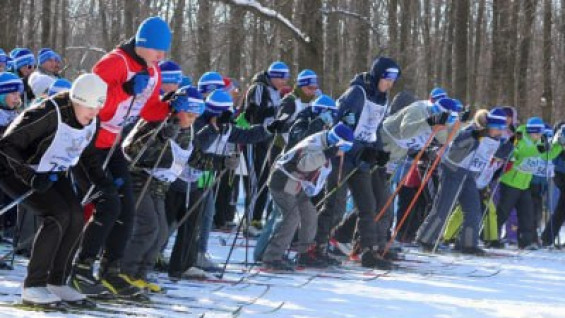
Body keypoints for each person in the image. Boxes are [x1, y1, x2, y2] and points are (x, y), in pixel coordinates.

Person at [71, 16, 172, 298]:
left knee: (127, 207)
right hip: (89, 141)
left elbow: (149, 109)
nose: (161, 56)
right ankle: (81, 268)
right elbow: (90, 103)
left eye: (164, 51)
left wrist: (170, 108)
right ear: (142, 44)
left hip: (112, 144)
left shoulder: (154, 73)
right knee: (108, 204)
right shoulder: (114, 63)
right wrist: (124, 89)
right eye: (157, 50)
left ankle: (110, 270)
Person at [0, 73, 106, 306]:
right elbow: (7, 146)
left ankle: (57, 281)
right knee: (57, 215)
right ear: (75, 100)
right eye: (88, 107)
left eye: (98, 107)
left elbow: (87, 154)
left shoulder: (92, 119)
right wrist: (31, 177)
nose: (93, 113)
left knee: (76, 216)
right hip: (15, 170)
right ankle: (34, 285)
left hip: (51, 170)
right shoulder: (48, 113)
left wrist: (101, 182)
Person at [120, 85, 205, 293]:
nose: (191, 120)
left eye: (195, 116)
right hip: (138, 180)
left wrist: (215, 162)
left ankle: (142, 274)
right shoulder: (156, 119)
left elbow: (190, 154)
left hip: (159, 185)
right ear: (178, 108)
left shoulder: (187, 129)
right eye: (190, 114)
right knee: (148, 228)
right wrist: (160, 137)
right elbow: (131, 150)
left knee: (162, 231)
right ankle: (126, 272)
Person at [262, 123, 354, 271]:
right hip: (283, 181)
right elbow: (303, 165)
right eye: (342, 149)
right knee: (292, 218)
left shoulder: (325, 142)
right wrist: (327, 154)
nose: (342, 153)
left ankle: (304, 254)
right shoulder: (316, 144)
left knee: (310, 215)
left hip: (297, 184)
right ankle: (272, 257)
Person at [416, 108, 508, 254]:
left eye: (502, 129)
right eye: (498, 129)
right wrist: (474, 136)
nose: (501, 132)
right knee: (444, 207)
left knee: (473, 210)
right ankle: (425, 239)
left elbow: (498, 155)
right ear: (490, 126)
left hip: (469, 175)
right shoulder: (473, 129)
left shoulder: (496, 138)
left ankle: (467, 244)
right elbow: (457, 142)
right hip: (453, 170)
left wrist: (511, 144)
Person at [494, 117, 563, 249]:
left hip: (525, 183)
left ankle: (525, 241)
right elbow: (522, 151)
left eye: (539, 133)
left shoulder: (541, 139)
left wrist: (559, 146)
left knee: (527, 213)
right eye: (535, 133)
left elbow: (547, 155)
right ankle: (490, 236)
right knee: (503, 211)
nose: (537, 136)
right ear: (530, 130)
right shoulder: (519, 135)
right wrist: (540, 149)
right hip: (511, 181)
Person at [244, 61, 290, 233]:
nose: (284, 82)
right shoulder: (259, 88)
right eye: (282, 78)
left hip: (268, 139)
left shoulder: (276, 91)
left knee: (264, 179)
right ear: (274, 76)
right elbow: (253, 113)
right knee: (255, 180)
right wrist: (274, 114)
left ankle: (256, 219)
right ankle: (249, 221)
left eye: (286, 78)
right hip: (254, 138)